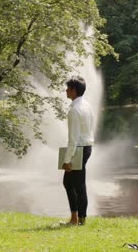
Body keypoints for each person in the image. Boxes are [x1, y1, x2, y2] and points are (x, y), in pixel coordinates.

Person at [61, 76, 95, 226]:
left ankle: (79, 219)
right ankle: (77, 218)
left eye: (68, 88)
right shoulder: (87, 105)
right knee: (71, 183)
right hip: (87, 147)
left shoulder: (74, 110)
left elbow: (73, 138)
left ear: (74, 91)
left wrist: (67, 160)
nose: (66, 90)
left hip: (79, 149)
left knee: (76, 184)